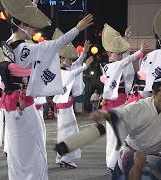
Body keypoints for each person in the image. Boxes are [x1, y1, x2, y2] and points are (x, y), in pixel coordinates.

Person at [0, 0, 93, 179]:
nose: (35, 31)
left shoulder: (8, 43)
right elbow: (57, 44)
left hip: (11, 103)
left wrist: (29, 9)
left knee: (18, 150)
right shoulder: (26, 49)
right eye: (32, 26)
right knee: (34, 148)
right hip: (23, 105)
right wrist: (77, 29)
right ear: (23, 24)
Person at [90, 75, 161, 180]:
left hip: (154, 155)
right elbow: (119, 114)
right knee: (139, 157)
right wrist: (102, 113)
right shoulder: (140, 106)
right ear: (154, 94)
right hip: (131, 152)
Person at [99, 23, 147, 171]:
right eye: (117, 53)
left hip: (121, 103)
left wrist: (127, 38)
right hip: (113, 105)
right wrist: (139, 52)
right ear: (109, 53)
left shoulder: (116, 64)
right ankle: (112, 164)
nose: (120, 56)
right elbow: (126, 60)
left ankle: (117, 162)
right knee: (114, 136)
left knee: (121, 135)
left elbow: (125, 58)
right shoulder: (109, 66)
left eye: (120, 54)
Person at [52, 28, 94, 168]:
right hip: (64, 107)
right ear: (62, 59)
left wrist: (84, 53)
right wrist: (85, 66)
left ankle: (62, 157)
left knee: (68, 131)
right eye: (69, 59)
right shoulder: (60, 72)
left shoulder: (65, 68)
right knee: (66, 132)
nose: (71, 61)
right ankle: (64, 157)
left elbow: (76, 65)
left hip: (66, 106)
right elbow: (74, 72)